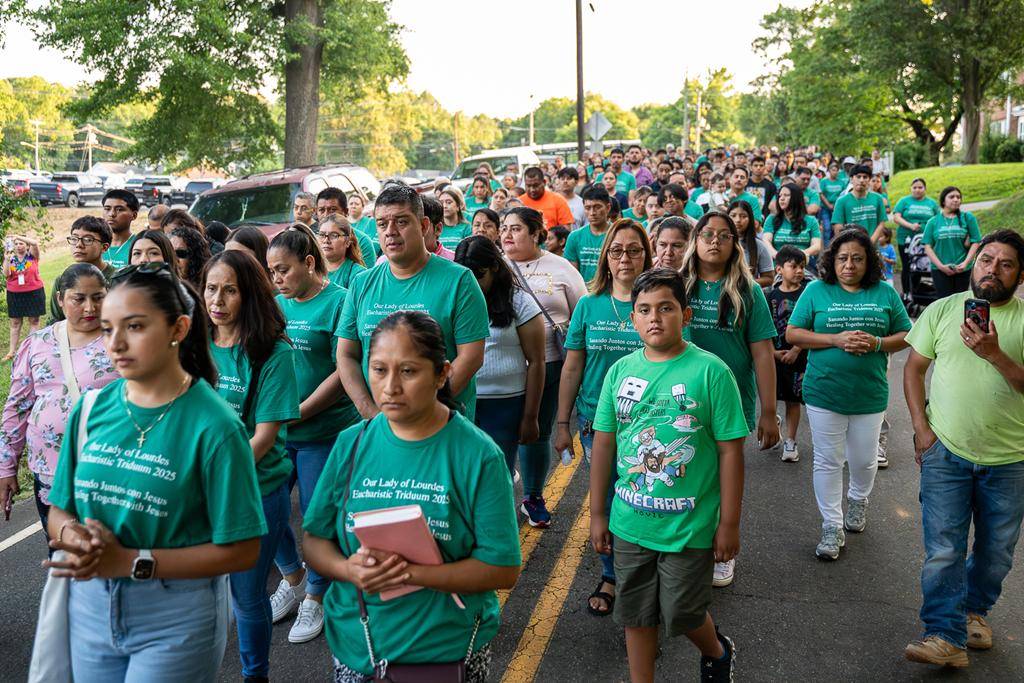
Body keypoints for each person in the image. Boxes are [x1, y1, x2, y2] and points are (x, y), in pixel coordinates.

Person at [43, 261, 266, 682]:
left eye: (135, 327)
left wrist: (130, 561)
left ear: (178, 329)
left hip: (175, 617)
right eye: (107, 329)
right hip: (91, 604)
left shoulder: (215, 426)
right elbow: (60, 509)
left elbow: (242, 550)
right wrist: (75, 538)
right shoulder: (90, 409)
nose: (116, 344)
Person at [302, 311, 521, 683]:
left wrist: (410, 574)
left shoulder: (478, 455)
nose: (389, 387)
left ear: (442, 373)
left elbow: (502, 568)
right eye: (378, 369)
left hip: (445, 652)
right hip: (359, 648)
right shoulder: (350, 443)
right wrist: (347, 570)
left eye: (408, 371)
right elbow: (314, 540)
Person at [588, 268, 746, 683]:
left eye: (666, 308)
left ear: (686, 314)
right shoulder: (620, 371)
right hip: (630, 522)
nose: (655, 317)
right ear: (633, 319)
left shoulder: (711, 371)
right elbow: (604, 445)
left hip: (688, 526)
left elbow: (731, 451)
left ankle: (716, 651)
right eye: (644, 310)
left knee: (682, 611)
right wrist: (597, 514)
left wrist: (728, 523)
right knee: (636, 613)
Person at [902, 229, 1024, 668]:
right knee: (945, 548)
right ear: (974, 263)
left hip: (1011, 460)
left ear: (1020, 275)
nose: (992, 269)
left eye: (1005, 263)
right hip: (945, 452)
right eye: (986, 259)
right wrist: (921, 429)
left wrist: (995, 354)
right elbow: (914, 370)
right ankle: (944, 634)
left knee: (996, 553)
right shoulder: (941, 310)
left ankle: (974, 611)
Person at [202, 249, 300, 680]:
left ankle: (254, 675)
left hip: (255, 493)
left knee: (246, 597)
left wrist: (216, 477)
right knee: (202, 594)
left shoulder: (272, 353)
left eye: (229, 290)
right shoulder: (194, 343)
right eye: (210, 288)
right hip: (199, 492)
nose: (217, 300)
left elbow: (263, 438)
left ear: (250, 296)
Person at [786, 230, 911, 561]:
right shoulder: (816, 290)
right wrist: (835, 340)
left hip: (869, 394)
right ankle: (831, 524)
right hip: (824, 391)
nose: (849, 264)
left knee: (864, 459)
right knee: (828, 459)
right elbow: (793, 332)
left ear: (868, 260)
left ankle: (858, 498)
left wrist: (878, 343)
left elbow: (908, 333)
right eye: (842, 258)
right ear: (832, 261)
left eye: (857, 257)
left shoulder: (884, 292)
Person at [554, 218, 651, 617]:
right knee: (609, 503)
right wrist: (563, 423)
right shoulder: (590, 306)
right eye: (616, 250)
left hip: (651, 426)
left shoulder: (657, 302)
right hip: (599, 425)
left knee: (647, 503)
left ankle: (648, 576)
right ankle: (612, 575)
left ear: (646, 254)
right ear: (605, 258)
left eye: (633, 250)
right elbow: (573, 366)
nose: (625, 257)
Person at [267, 222, 357, 643]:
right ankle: (294, 575)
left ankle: (316, 598)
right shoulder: (276, 305)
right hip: (279, 432)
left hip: (324, 431)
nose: (277, 279)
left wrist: (295, 413)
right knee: (264, 509)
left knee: (317, 519)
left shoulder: (340, 301)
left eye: (283, 269)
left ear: (308, 263)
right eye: (271, 271)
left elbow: (344, 370)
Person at [681, 211, 779, 587]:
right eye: (707, 234)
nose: (715, 241)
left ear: (735, 245)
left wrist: (769, 412)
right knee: (686, 471)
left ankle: (723, 550)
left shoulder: (747, 291)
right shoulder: (679, 286)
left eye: (725, 236)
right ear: (696, 240)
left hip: (732, 399)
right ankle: (691, 542)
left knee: (724, 477)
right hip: (685, 399)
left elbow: (763, 353)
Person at [339, 182, 489, 423]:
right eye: (382, 223)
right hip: (378, 428)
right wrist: (372, 413)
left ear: (423, 225)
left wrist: (422, 413)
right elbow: (346, 355)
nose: (390, 231)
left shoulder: (459, 281)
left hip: (441, 428)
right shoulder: (361, 284)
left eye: (401, 221)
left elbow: (471, 357)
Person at [0, 264, 117, 537]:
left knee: (112, 555)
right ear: (60, 299)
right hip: (52, 474)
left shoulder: (122, 339)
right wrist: (6, 466)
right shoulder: (37, 343)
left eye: (98, 297)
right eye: (79, 299)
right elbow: (17, 408)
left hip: (110, 472)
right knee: (64, 554)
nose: (90, 308)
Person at [500, 206, 587, 527]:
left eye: (516, 228)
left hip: (551, 367)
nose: (507, 235)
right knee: (502, 436)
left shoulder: (561, 268)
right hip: (506, 370)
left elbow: (582, 315)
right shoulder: (495, 267)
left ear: (537, 233)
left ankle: (533, 497)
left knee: (537, 432)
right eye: (504, 228)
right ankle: (496, 504)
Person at [455, 236, 546, 475]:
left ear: (495, 267)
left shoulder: (520, 301)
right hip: (463, 400)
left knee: (498, 474)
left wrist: (530, 416)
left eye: (479, 275)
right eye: (466, 274)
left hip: (505, 405)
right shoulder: (457, 300)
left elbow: (537, 361)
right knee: (465, 475)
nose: (472, 282)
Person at [767, 246, 809, 463]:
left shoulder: (807, 293)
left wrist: (796, 349)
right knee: (771, 399)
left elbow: (811, 326)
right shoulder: (770, 296)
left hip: (799, 357)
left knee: (793, 401)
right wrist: (772, 353)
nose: (799, 271)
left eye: (802, 266)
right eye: (794, 266)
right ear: (779, 269)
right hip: (775, 357)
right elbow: (764, 328)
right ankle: (772, 428)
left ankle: (790, 441)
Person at [49, 216, 117, 322]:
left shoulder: (119, 279)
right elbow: (55, 321)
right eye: (74, 239)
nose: (79, 245)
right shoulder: (62, 280)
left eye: (88, 240)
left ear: (104, 247)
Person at [921, 186, 981, 298]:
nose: (956, 199)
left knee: (959, 302)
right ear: (943, 200)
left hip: (963, 269)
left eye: (958, 197)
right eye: (952, 197)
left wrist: (966, 263)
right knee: (943, 302)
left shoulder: (968, 218)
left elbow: (976, 242)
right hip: (939, 270)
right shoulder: (933, 221)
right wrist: (941, 266)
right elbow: (927, 246)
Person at [892, 178, 940, 297]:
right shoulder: (904, 201)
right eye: (915, 188)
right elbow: (896, 217)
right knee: (907, 266)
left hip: (926, 241)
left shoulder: (932, 203)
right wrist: (910, 225)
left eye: (920, 187)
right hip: (906, 239)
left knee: (920, 266)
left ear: (925, 189)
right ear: (911, 189)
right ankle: (907, 293)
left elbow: (939, 220)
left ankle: (917, 292)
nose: (917, 190)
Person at [4, 233, 45, 361]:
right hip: (15, 294)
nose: (18, 246)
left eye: (21, 243)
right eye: (15, 244)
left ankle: (31, 348)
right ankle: (11, 352)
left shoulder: (33, 256)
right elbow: (6, 274)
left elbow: (34, 243)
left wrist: (17, 236)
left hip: (34, 292)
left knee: (34, 321)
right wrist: (5, 259)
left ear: (26, 246)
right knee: (15, 322)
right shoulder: (10, 259)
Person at [763, 183, 823, 262]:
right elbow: (766, 241)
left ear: (796, 197)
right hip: (778, 264)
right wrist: (778, 256)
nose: (781, 198)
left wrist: (796, 256)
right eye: (780, 196)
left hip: (802, 264)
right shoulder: (771, 219)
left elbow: (816, 246)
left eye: (786, 195)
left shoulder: (811, 220)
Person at [565, 185, 613, 282]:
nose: (592, 213)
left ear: (608, 208)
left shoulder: (617, 234)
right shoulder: (575, 237)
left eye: (597, 207)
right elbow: (572, 275)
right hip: (584, 292)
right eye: (588, 208)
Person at [317, 188, 376, 263]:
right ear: (316, 212)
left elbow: (367, 274)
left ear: (346, 212)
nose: (326, 215)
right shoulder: (313, 240)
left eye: (332, 209)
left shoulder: (363, 242)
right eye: (321, 210)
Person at [831, 164, 887, 238]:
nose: (861, 180)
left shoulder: (878, 199)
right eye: (858, 177)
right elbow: (838, 227)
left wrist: (871, 242)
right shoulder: (841, 201)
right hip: (850, 246)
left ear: (869, 180)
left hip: (873, 246)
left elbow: (881, 223)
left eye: (865, 177)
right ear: (851, 179)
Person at [727, 200, 774, 287]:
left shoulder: (759, 245)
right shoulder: (719, 242)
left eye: (743, 216)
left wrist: (746, 284)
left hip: (747, 295)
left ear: (750, 219)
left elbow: (769, 278)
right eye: (733, 215)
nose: (737, 220)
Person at [318, 213, 367, 289]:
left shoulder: (359, 274)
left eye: (334, 235)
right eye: (321, 235)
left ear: (347, 242)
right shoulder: (311, 270)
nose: (326, 240)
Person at [101, 188, 139, 268]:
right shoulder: (96, 244)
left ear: (134, 215)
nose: (111, 214)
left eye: (119, 209)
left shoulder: (139, 246)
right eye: (107, 209)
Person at [437, 186, 473, 251]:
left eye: (449, 202)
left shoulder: (467, 227)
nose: (444, 206)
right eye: (441, 203)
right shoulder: (436, 227)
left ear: (458, 206)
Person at [818, 162, 846, 245]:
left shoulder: (841, 182)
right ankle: (827, 247)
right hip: (825, 208)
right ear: (829, 171)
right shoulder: (824, 181)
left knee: (837, 228)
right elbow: (821, 194)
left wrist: (837, 205)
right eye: (833, 170)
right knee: (827, 228)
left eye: (836, 170)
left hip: (838, 208)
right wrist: (828, 205)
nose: (835, 172)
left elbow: (843, 194)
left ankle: (836, 245)